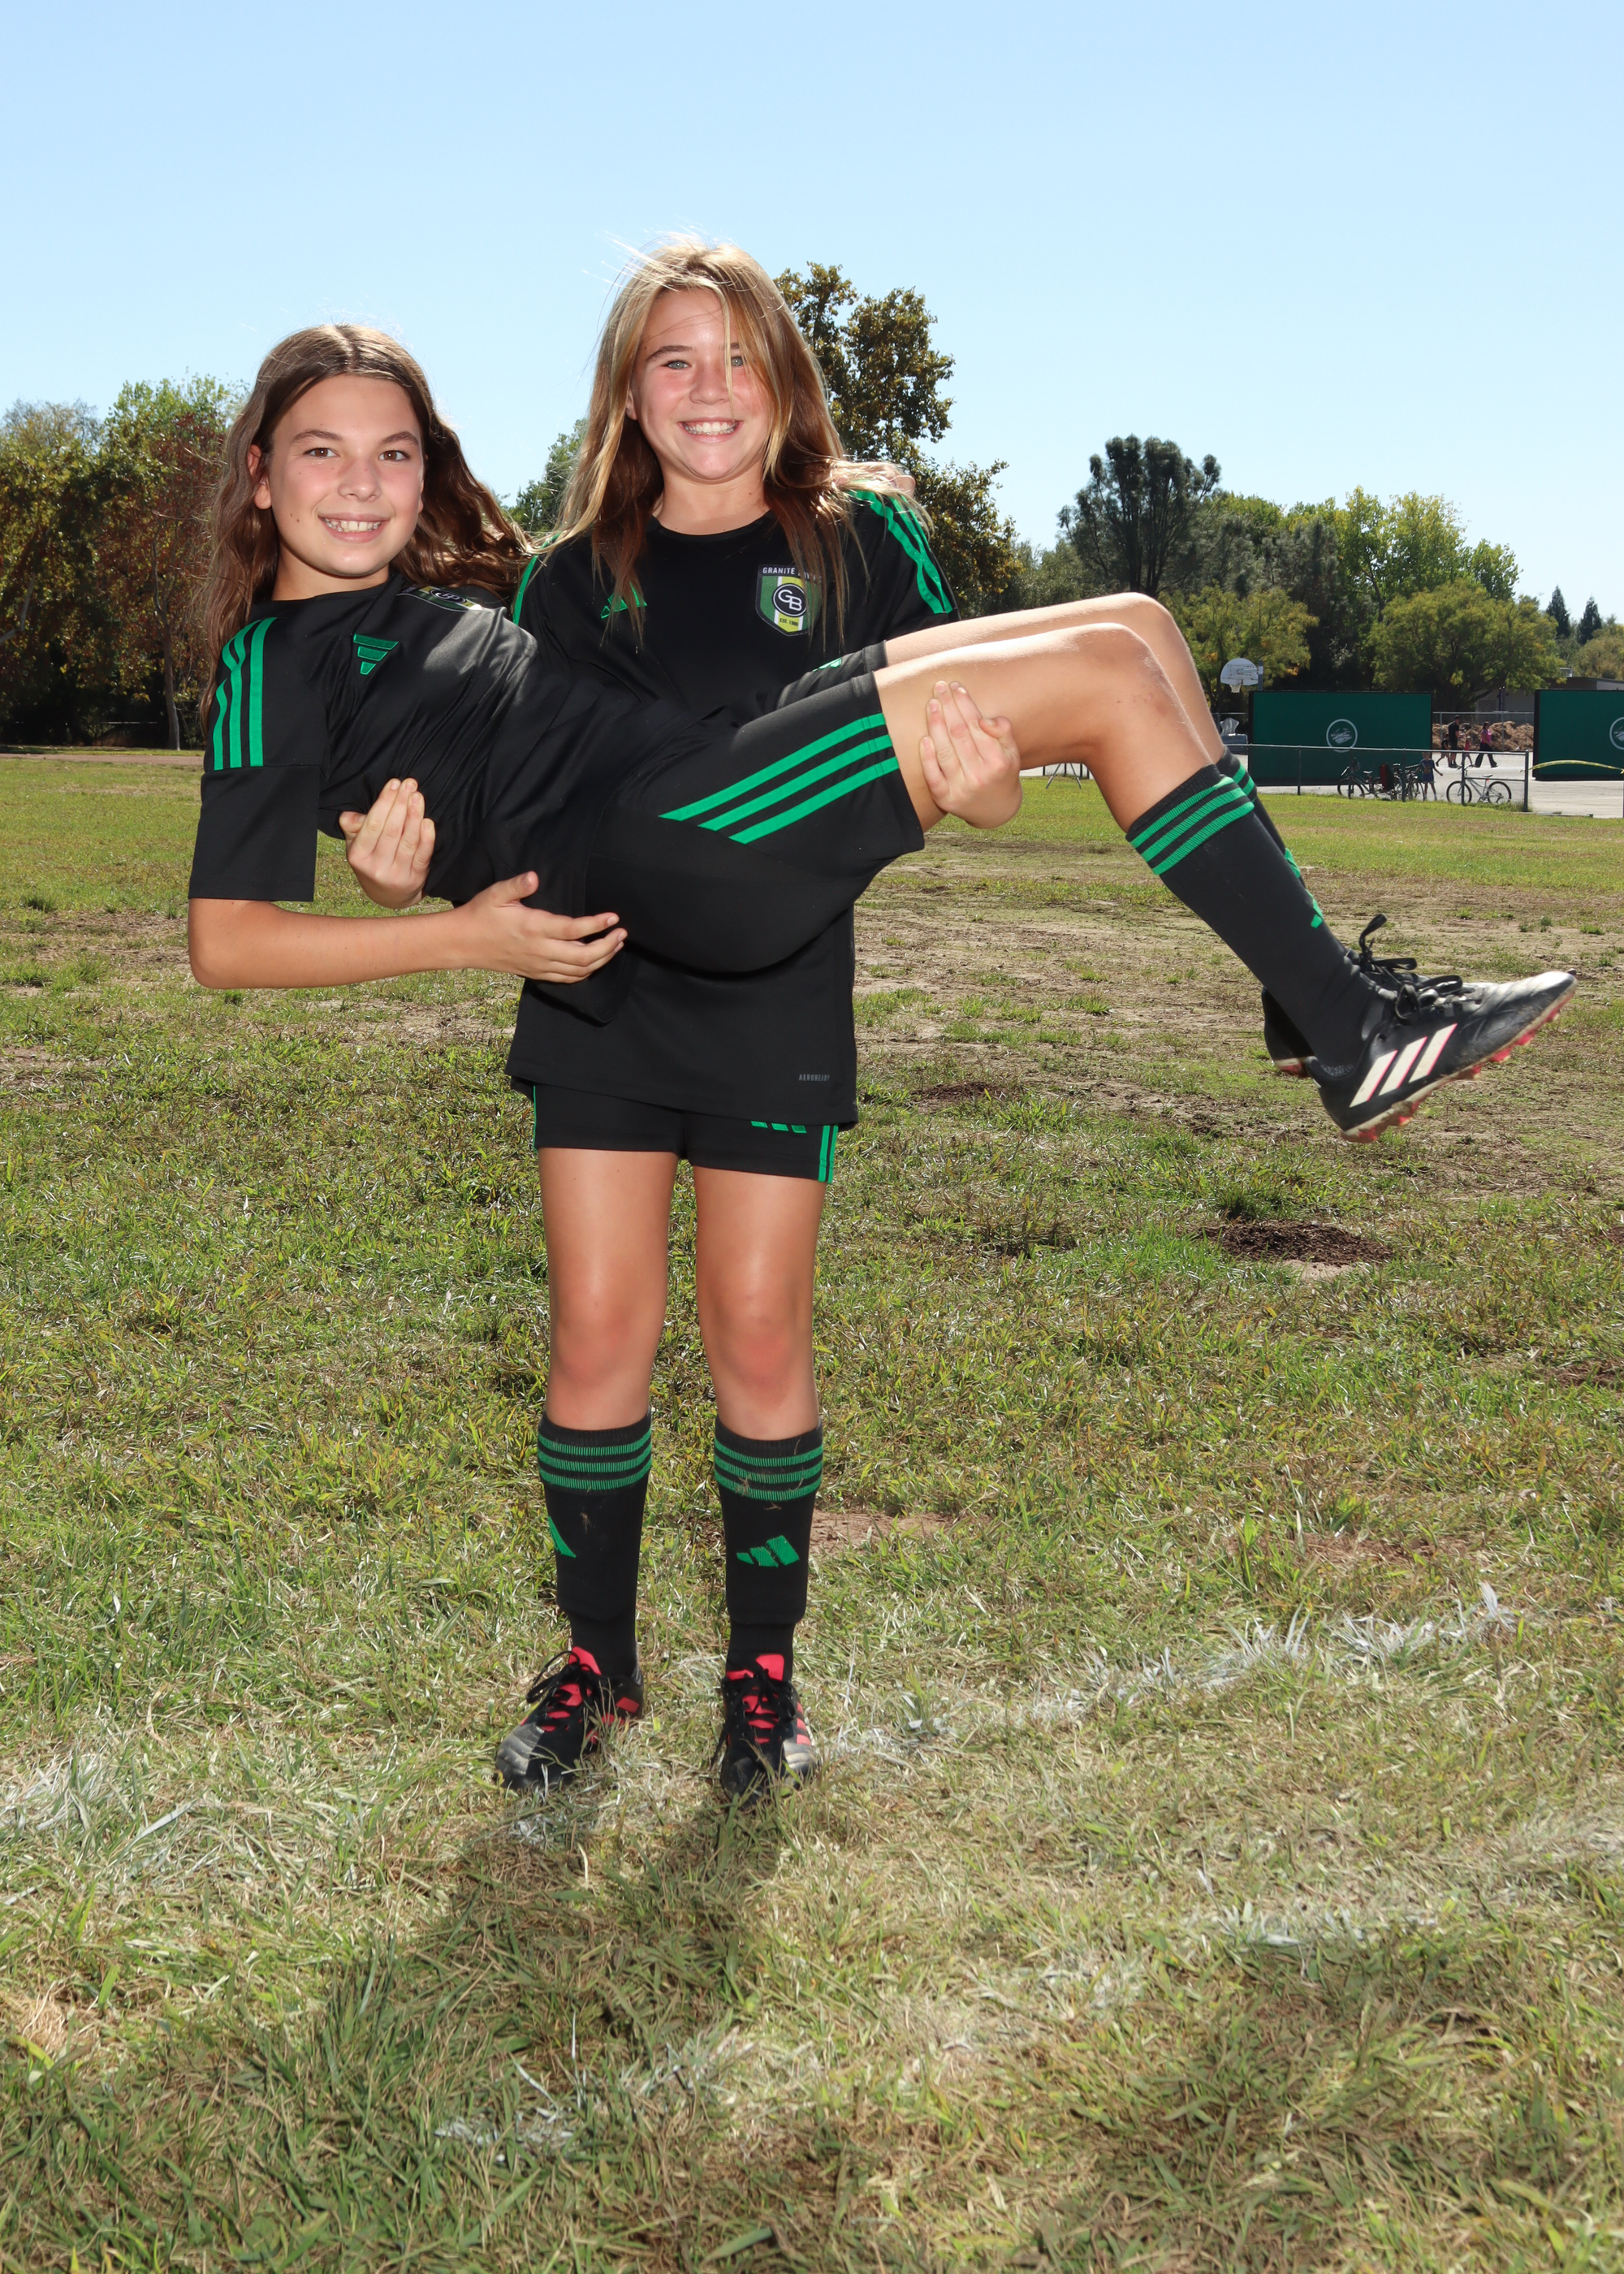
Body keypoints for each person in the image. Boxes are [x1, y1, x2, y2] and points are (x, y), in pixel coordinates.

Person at [188, 322, 1575, 1794]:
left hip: (690, 793)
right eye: (322, 454)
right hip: (661, 850)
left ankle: (1313, 1007)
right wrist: (452, 932)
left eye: (393, 453)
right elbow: (228, 941)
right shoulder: (271, 661)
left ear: (429, 472)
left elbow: (514, 713)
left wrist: (829, 508)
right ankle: (1350, 1030)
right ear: (259, 477)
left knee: (1133, 633)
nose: (361, 483)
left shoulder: (444, 603)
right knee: (1105, 686)